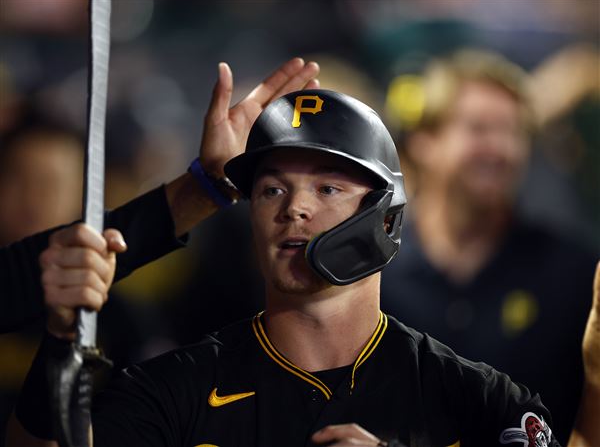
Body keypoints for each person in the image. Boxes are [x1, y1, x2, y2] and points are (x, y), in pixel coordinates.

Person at [8, 62, 599, 447]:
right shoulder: (176, 388)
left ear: (385, 218)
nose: (294, 208)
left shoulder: (471, 394)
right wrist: (59, 346)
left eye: (329, 188)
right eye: (271, 189)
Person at [0, 58, 320, 335]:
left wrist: (211, 185)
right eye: (19, 179)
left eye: (51, 184)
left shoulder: (121, 323)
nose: (33, 200)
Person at [380, 50, 599, 444]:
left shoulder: (572, 273)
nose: (501, 150)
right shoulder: (370, 267)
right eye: (480, 129)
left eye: (514, 132)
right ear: (424, 141)